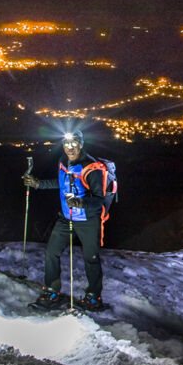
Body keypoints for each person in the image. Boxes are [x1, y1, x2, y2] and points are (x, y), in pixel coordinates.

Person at [23, 131, 108, 311]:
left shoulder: (91, 167)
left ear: (81, 144)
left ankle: (94, 296)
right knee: (51, 252)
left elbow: (99, 199)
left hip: (87, 220)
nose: (70, 148)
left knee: (90, 258)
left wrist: (80, 202)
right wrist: (38, 184)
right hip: (66, 217)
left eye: (74, 143)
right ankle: (52, 291)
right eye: (66, 144)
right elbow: (61, 184)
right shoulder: (63, 161)